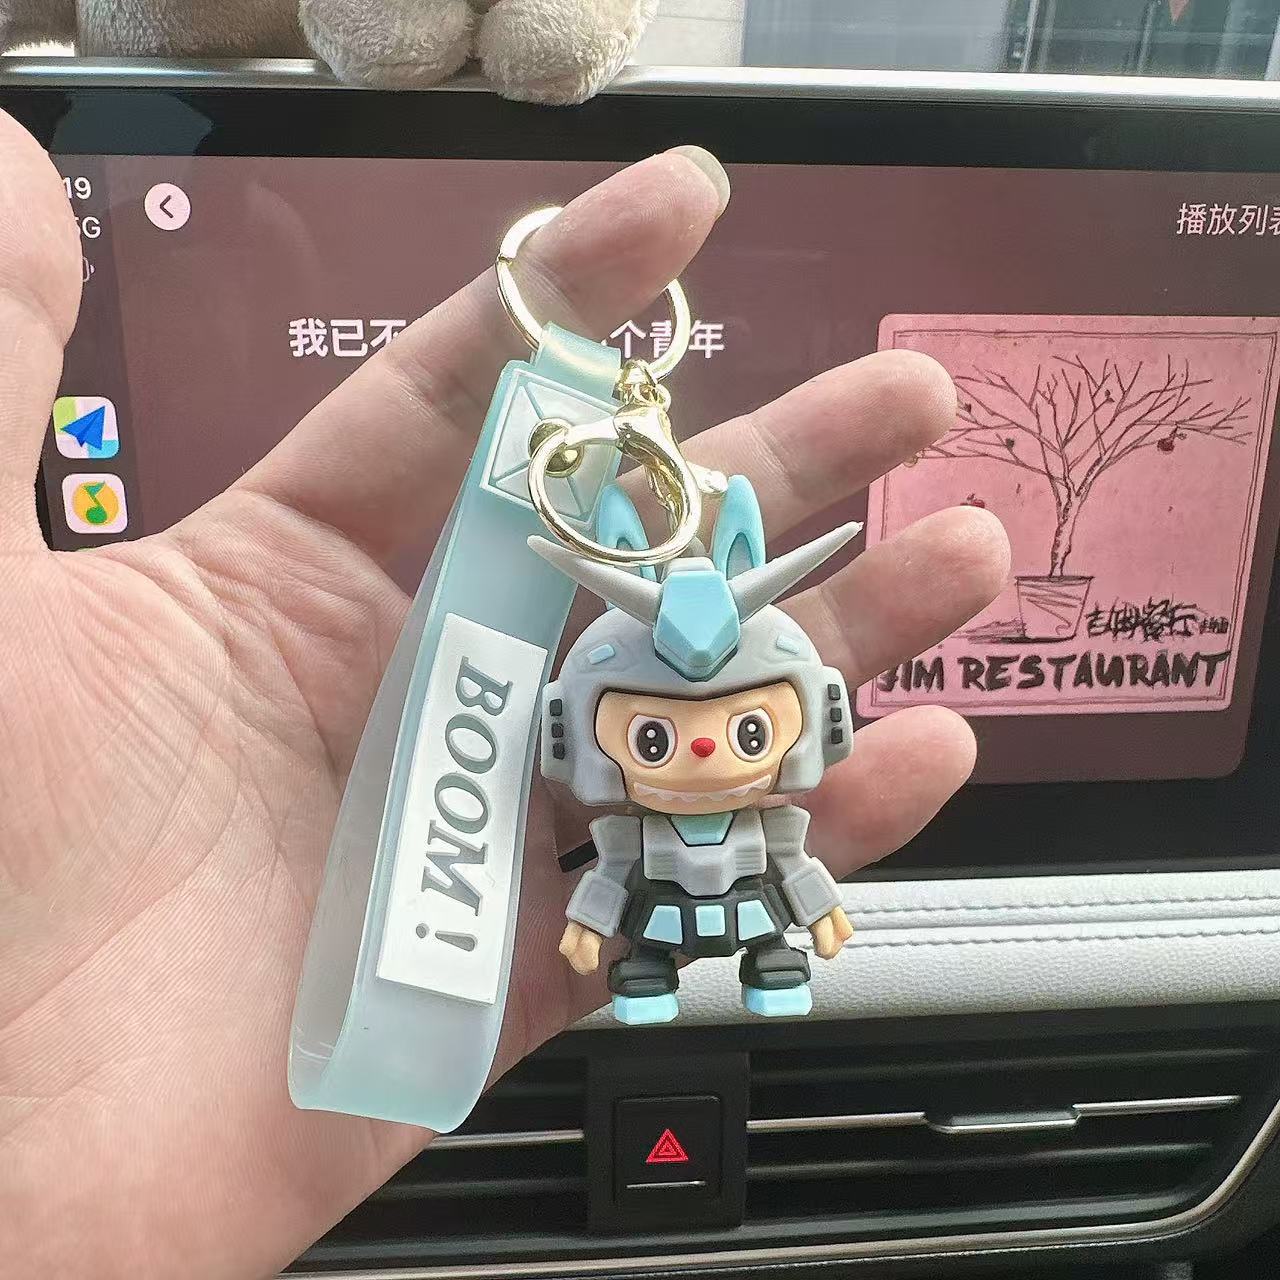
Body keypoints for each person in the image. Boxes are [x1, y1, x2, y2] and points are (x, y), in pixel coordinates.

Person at [0, 117, 1009, 1277]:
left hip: (647, 916)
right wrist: (590, 925)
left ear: (809, 725)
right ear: (576, 735)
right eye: (652, 733)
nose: (702, 752)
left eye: (745, 727)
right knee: (631, 939)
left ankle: (753, 967)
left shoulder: (745, 786)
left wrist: (808, 912)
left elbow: (783, 859)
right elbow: (609, 874)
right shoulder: (595, 754)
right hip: (520, 953)